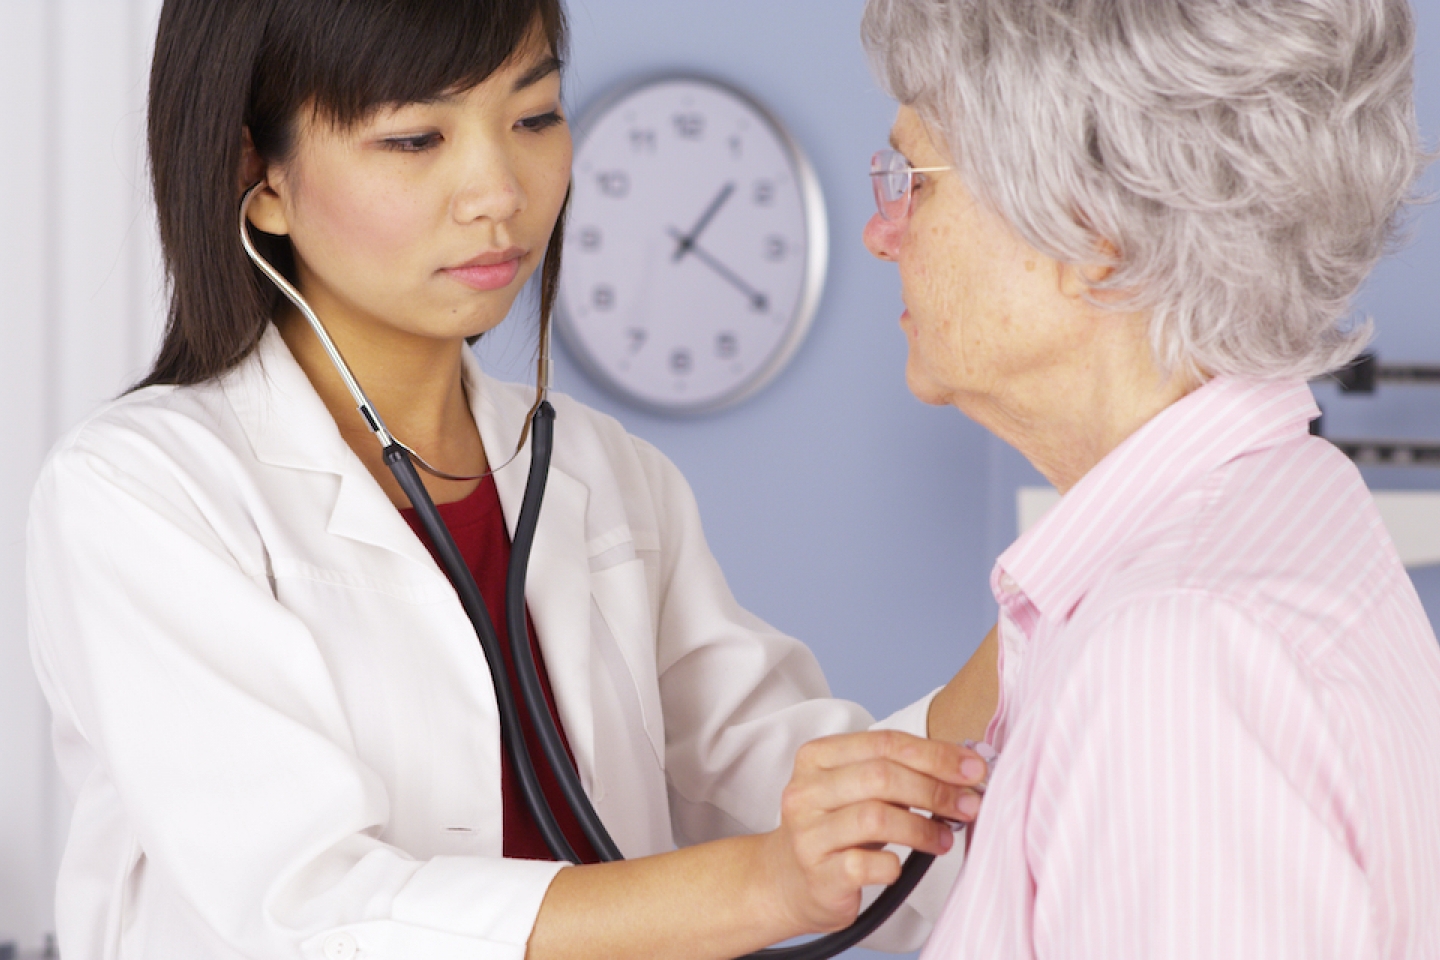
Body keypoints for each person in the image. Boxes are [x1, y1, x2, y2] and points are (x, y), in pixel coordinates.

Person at [25, 1, 999, 958]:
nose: (498, 190)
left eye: (534, 117)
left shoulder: (605, 475)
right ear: (259, 175)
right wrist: (764, 886)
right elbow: (317, 918)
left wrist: (1059, 597)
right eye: (414, 139)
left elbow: (820, 806)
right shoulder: (141, 493)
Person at [859, 0, 1440, 956]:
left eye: (914, 182)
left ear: (1093, 234)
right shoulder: (1286, 507)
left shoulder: (1175, 661)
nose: (886, 232)